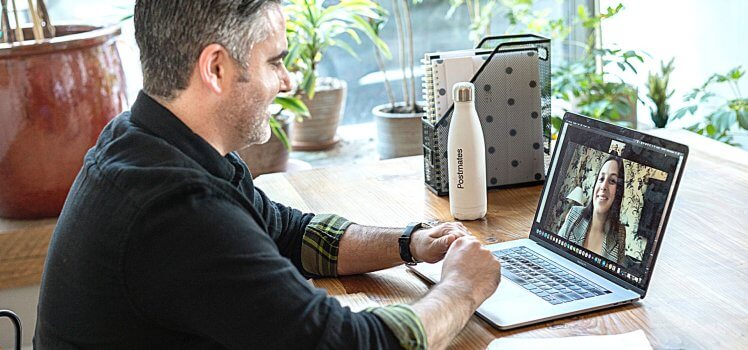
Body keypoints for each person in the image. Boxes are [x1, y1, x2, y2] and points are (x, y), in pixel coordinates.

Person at [33, 1, 501, 349]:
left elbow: (288, 233)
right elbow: (348, 346)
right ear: (216, 68)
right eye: (275, 61)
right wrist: (462, 288)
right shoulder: (177, 211)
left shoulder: (149, 138)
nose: (288, 81)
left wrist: (410, 242)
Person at [558, 153, 626, 263]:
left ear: (618, 191)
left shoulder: (620, 233)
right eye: (601, 178)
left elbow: (616, 274)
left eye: (612, 181)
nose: (604, 186)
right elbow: (554, 252)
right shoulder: (574, 214)